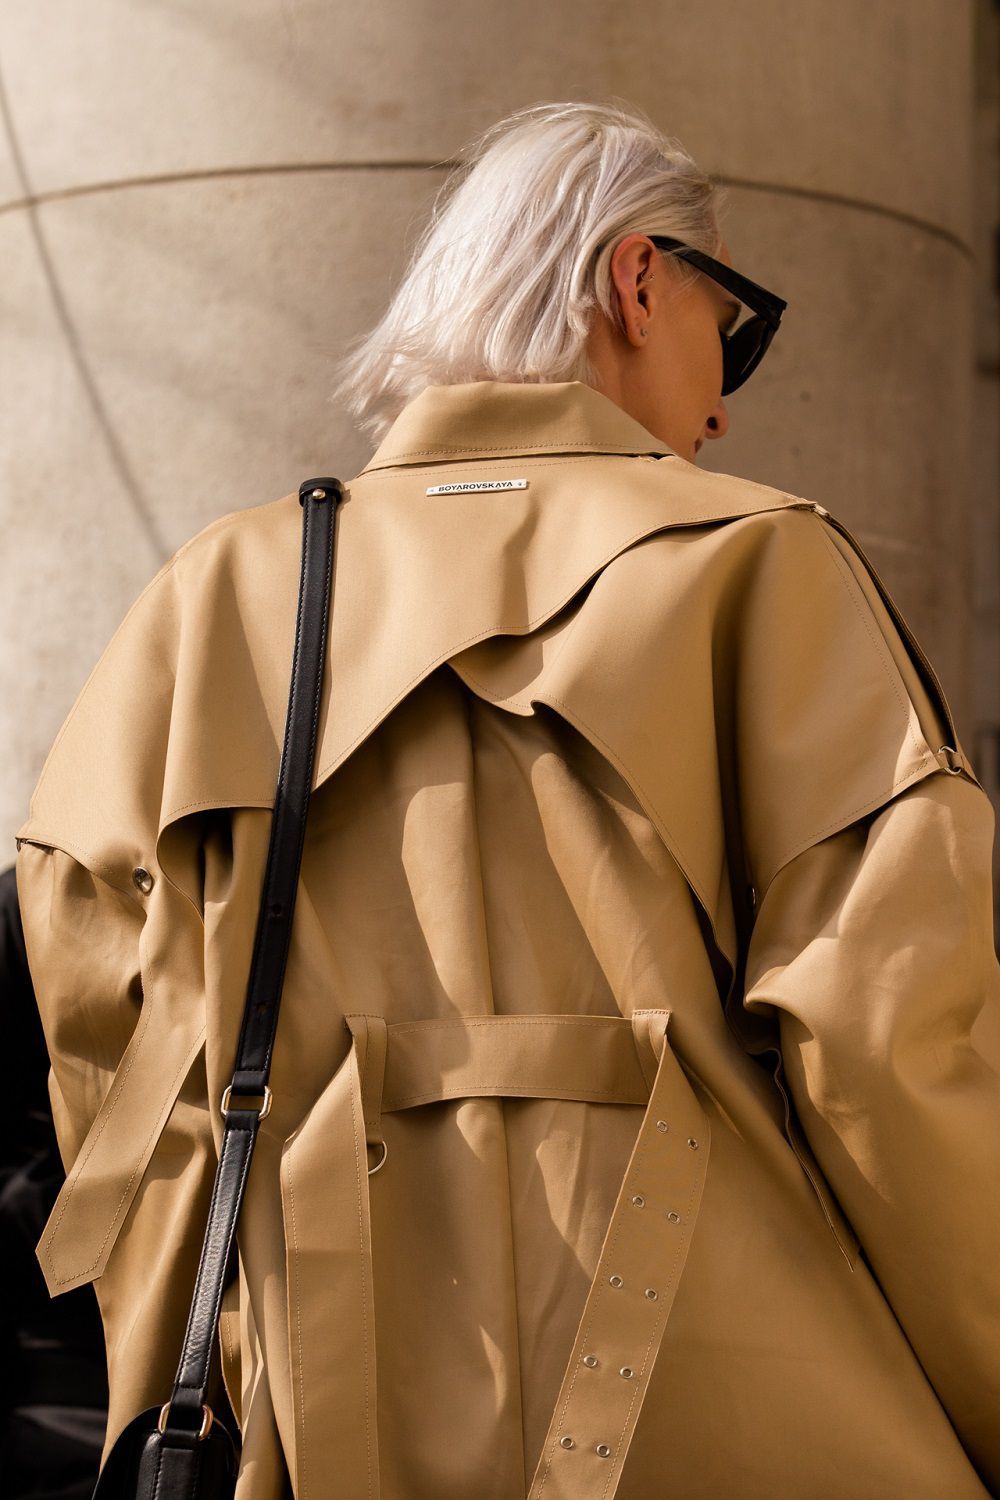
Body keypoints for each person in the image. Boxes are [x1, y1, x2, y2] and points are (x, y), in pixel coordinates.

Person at [13, 98, 1000, 1500]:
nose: (725, 404)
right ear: (638, 279)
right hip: (752, 1418)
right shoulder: (760, 565)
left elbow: (105, 1018)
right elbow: (893, 1033)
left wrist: (224, 1347)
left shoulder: (219, 597)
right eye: (735, 329)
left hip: (339, 1416)